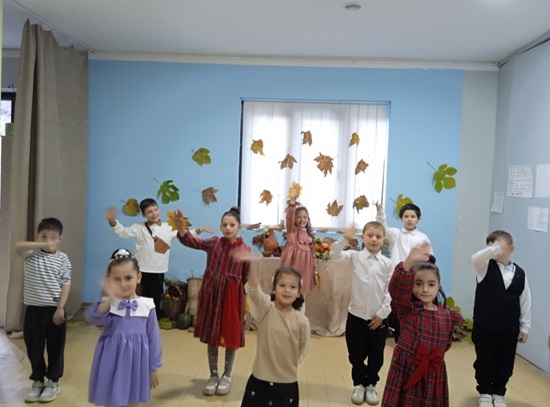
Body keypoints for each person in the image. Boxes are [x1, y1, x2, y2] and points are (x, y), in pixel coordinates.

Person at [173, 206, 250, 396]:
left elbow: (245, 276)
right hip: (212, 295)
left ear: (239, 227)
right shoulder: (214, 243)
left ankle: (227, 375)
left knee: (230, 335)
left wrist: (239, 295)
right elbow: (192, 241)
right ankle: (213, 375)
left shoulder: (245, 249)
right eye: (224, 225)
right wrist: (181, 227)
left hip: (231, 298)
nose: (228, 228)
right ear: (220, 226)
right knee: (213, 335)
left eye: (232, 225)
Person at [381, 243, 463, 407]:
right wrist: (408, 263)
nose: (425, 289)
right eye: (418, 283)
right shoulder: (407, 309)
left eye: (431, 284)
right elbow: (397, 290)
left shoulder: (447, 316)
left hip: (434, 373)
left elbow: (445, 344)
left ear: (438, 285)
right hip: (406, 369)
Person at [85, 248, 162, 407]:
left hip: (137, 363)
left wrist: (153, 368)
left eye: (128, 278)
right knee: (109, 398)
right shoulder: (109, 304)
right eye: (116, 279)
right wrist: (108, 299)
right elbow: (93, 318)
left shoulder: (147, 306)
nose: (123, 284)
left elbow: (154, 339)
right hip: (110, 361)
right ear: (109, 281)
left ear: (138, 277)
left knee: (133, 401)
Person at [235, 251, 310, 407]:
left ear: (298, 293)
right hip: (260, 379)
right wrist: (253, 263)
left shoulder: (302, 321)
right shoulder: (265, 309)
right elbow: (253, 288)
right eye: (282, 285)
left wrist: (285, 365)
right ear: (274, 289)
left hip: (287, 382)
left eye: (292, 287)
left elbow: (302, 348)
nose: (287, 290)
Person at [330, 221, 393, 406]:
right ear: (363, 237)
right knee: (356, 355)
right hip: (356, 317)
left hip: (378, 319)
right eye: (370, 235)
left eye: (378, 236)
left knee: (376, 355)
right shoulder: (354, 257)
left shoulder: (387, 264)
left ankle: (371, 384)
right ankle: (359, 384)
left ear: (383, 240)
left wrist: (382, 314)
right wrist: (345, 239)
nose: (374, 239)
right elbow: (334, 255)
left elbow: (390, 291)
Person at [106, 198, 205, 314]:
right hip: (140, 270)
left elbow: (184, 235)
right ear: (144, 215)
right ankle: (137, 319)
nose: (154, 213)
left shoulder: (168, 227)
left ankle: (153, 319)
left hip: (158, 270)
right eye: (149, 212)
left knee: (155, 299)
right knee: (138, 297)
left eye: (156, 210)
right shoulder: (138, 227)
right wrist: (112, 220)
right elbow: (123, 232)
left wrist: (200, 230)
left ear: (159, 209)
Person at [471, 230, 531, 407]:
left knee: (505, 360)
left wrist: (525, 327)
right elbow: (475, 258)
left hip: (509, 327)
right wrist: (493, 249)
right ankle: (485, 392)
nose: (493, 248)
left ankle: (499, 392)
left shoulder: (520, 273)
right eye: (489, 245)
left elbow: (526, 301)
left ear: (511, 248)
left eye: (498, 244)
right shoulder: (483, 267)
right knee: (485, 359)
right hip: (485, 325)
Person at [14, 217, 71, 403]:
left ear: (60, 239)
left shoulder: (62, 258)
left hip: (55, 310)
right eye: (43, 236)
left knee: (56, 348)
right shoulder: (31, 254)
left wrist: (60, 307)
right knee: (34, 348)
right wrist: (40, 243)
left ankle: (53, 381)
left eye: (53, 237)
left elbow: (66, 283)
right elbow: (17, 247)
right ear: (37, 237)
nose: (48, 241)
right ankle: (38, 380)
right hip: (34, 311)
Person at [376, 202, 433, 342]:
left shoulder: (423, 237)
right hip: (398, 279)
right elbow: (382, 228)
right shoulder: (396, 234)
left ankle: (413, 337)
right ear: (401, 218)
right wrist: (380, 212)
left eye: (413, 216)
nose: (409, 219)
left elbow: (430, 258)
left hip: (416, 279)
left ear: (418, 219)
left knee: (413, 309)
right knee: (397, 308)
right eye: (406, 216)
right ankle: (398, 337)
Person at [280, 183, 319, 304]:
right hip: (292, 268)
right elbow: (289, 218)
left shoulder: (311, 237)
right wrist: (292, 201)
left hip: (305, 271)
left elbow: (313, 256)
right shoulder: (292, 232)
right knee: (289, 295)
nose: (302, 220)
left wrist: (315, 272)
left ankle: (300, 314)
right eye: (299, 217)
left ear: (308, 219)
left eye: (304, 217)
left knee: (301, 298)